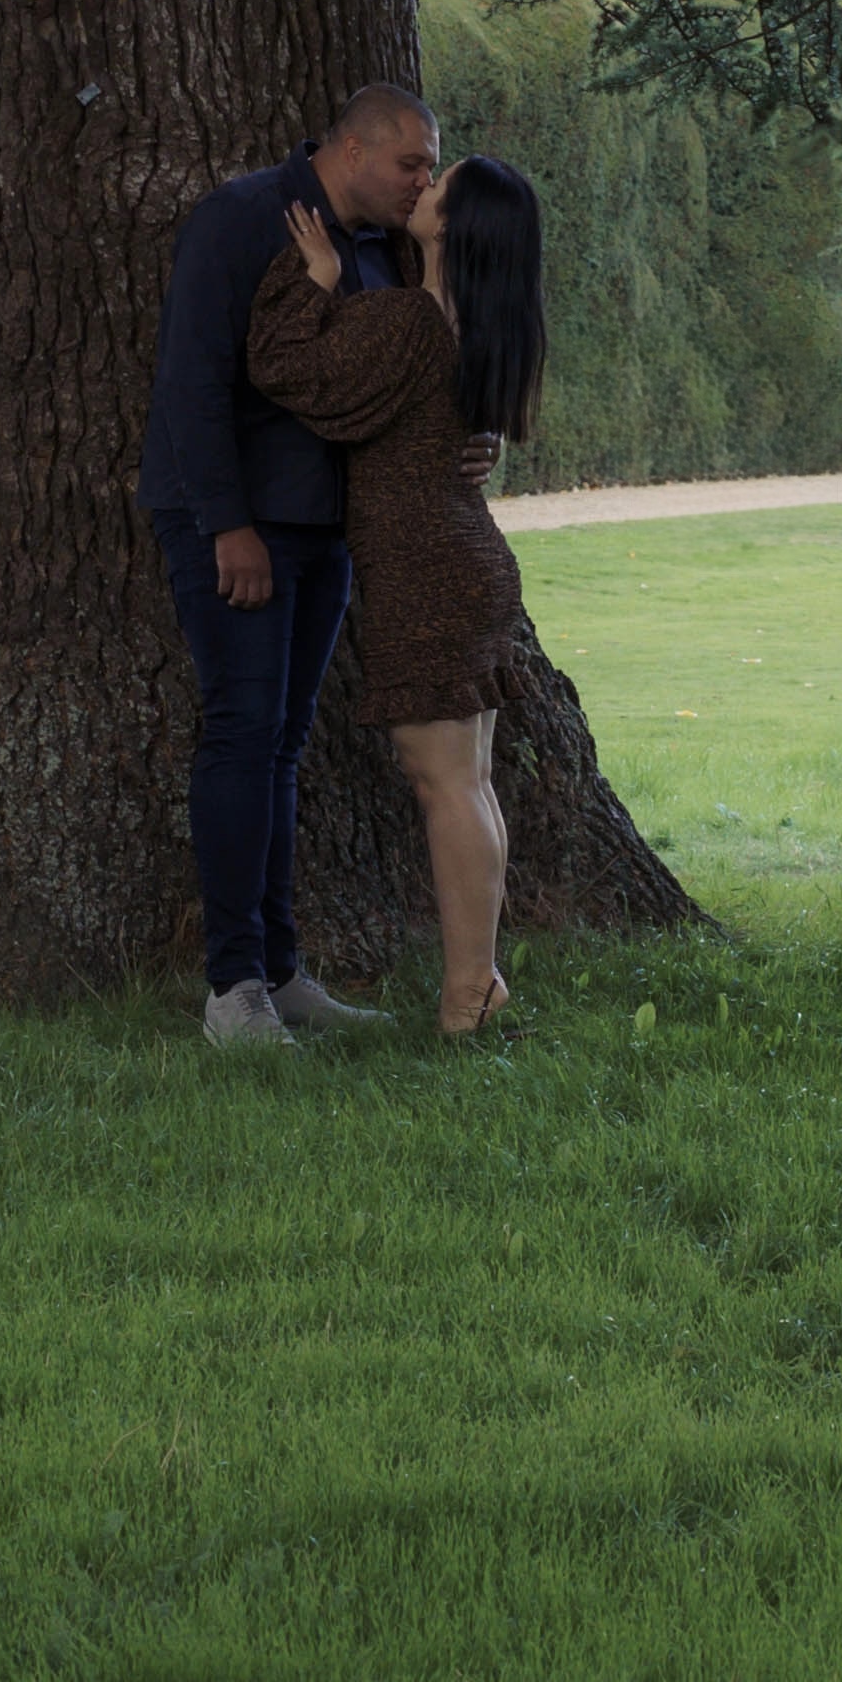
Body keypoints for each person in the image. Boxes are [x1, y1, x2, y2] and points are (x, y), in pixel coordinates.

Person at [136, 82, 439, 1049]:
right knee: (242, 734)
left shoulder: (385, 249)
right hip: (234, 523)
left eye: (429, 168)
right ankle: (232, 992)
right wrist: (228, 525)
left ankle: (279, 972)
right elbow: (191, 381)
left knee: (284, 746)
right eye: (411, 164)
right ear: (352, 151)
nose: (422, 182)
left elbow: (397, 373)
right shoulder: (240, 219)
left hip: (323, 527)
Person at [247, 151, 546, 1041]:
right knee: (467, 782)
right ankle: (480, 983)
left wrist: (316, 280)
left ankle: (468, 995)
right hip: (466, 565)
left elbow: (288, 369)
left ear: (454, 226)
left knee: (446, 784)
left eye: (439, 185)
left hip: (428, 574)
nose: (422, 187)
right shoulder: (475, 324)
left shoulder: (411, 320)